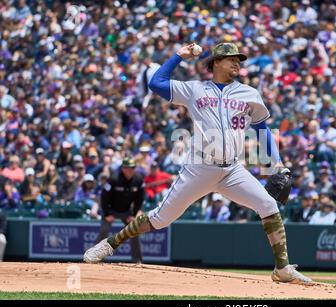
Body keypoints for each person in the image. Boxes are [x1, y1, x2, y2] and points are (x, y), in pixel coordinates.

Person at [84, 43, 312, 284]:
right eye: (230, 58)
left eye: (239, 59)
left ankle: (282, 268)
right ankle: (110, 243)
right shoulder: (195, 90)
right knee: (161, 219)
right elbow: (155, 83)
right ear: (215, 62)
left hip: (232, 169)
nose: (237, 63)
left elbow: (262, 130)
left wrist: (277, 163)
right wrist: (178, 56)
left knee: (268, 205)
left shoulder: (249, 94)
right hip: (200, 168)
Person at [93, 157, 145, 263]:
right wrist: (107, 214)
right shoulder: (114, 178)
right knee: (104, 231)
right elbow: (104, 197)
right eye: (127, 168)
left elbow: (140, 199)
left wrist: (134, 215)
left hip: (127, 211)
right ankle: (96, 257)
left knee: (135, 231)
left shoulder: (138, 180)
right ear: (122, 168)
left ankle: (137, 260)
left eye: (132, 168)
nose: (130, 170)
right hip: (111, 209)